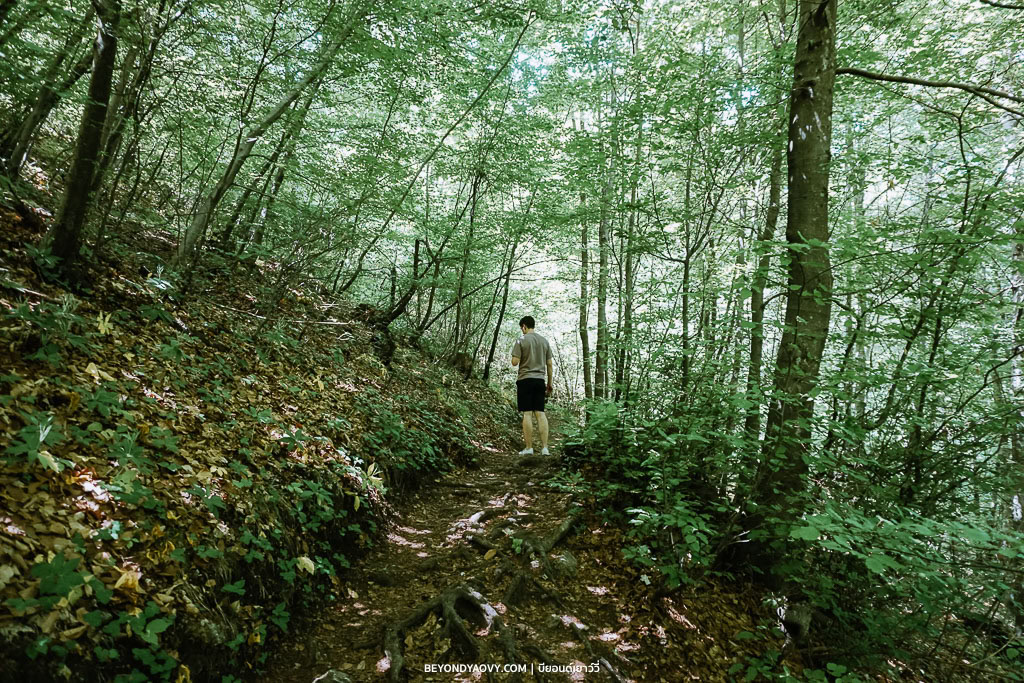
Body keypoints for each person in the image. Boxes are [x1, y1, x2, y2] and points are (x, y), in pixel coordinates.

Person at [511, 315, 553, 455]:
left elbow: (515, 362)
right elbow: (550, 364)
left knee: (527, 414)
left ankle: (529, 448)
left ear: (524, 326)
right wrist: (550, 383)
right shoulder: (544, 341)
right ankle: (545, 448)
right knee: (540, 413)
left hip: (525, 380)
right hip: (540, 381)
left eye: (521, 328)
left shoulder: (521, 340)